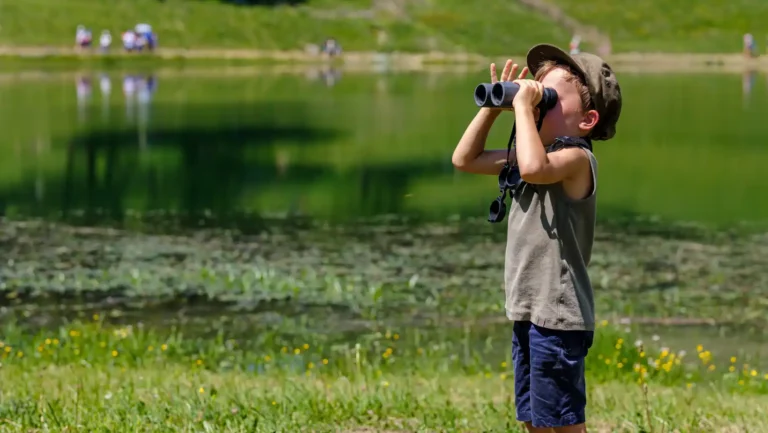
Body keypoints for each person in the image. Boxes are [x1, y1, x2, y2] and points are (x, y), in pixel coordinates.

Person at [451, 43, 622, 432]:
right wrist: (494, 108)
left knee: (561, 424)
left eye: (550, 97)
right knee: (534, 420)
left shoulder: (576, 160)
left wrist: (525, 108)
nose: (537, 99)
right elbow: (464, 159)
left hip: (559, 316)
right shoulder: (537, 153)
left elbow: (533, 169)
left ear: (587, 119)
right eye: (536, 89)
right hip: (529, 310)